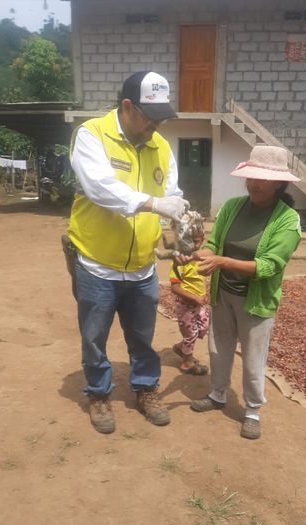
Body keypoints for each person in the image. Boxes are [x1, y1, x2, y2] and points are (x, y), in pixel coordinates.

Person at [68, 71, 189, 434]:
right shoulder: (92, 134)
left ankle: (146, 388)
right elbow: (101, 188)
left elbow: (172, 197)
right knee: (94, 338)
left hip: (141, 267)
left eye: (161, 117)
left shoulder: (161, 147)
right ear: (127, 106)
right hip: (97, 265)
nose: (156, 125)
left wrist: (180, 233)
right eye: (150, 117)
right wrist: (154, 204)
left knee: (142, 337)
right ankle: (99, 393)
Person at [185, 145, 301, 440]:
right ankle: (217, 394)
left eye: (262, 179)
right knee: (219, 349)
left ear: (279, 184)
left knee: (252, 359)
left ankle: (252, 410)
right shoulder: (232, 207)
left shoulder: (287, 220)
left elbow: (269, 265)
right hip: (223, 294)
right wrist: (199, 256)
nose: (254, 184)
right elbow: (214, 244)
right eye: (251, 177)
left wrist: (221, 262)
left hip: (256, 301)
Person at [170, 227, 210, 375]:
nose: (192, 245)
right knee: (191, 333)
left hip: (199, 303)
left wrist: (203, 295)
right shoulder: (179, 261)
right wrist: (195, 297)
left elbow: (200, 280)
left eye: (196, 241)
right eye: (188, 241)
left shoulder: (200, 258)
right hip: (185, 304)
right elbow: (175, 288)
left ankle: (181, 347)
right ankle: (187, 362)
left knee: (203, 327)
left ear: (202, 241)